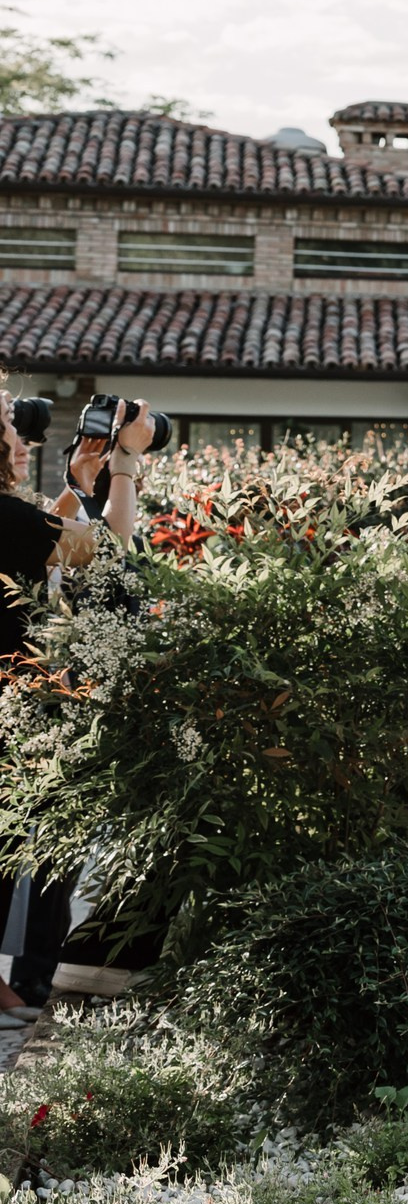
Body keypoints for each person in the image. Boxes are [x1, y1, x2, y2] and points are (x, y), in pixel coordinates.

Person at [0, 392, 153, 1025]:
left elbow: (33, 548)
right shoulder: (9, 517)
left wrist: (74, 488)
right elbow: (113, 553)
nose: (20, 426)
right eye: (6, 421)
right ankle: (18, 988)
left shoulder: (12, 520)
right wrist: (125, 463)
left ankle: (18, 984)